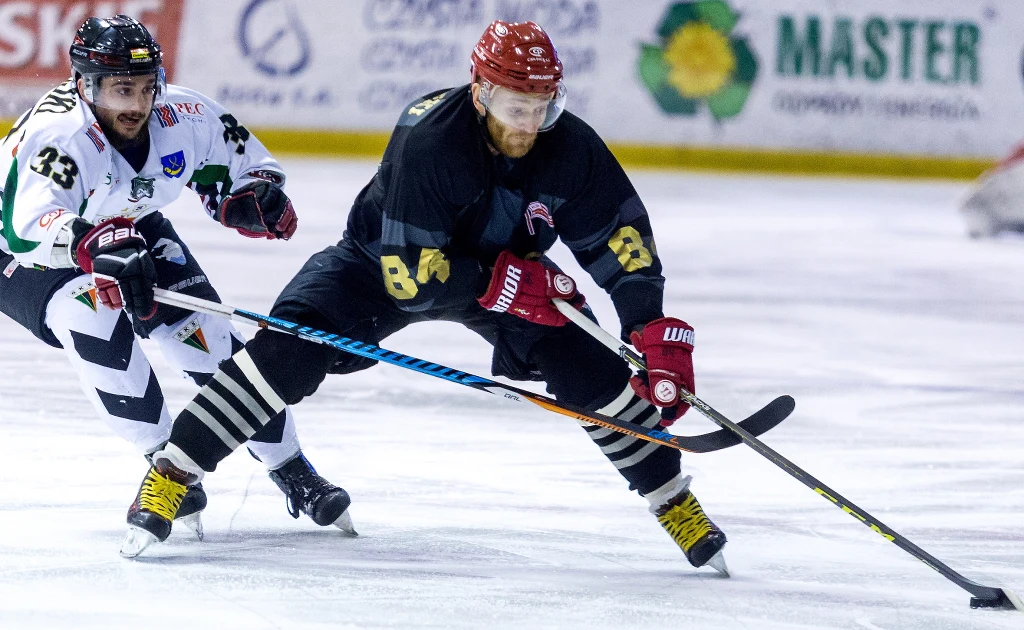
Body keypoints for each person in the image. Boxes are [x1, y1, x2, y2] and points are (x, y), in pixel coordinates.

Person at [124, 19, 727, 571]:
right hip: (379, 261)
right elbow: (410, 279)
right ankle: (172, 472)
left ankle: (675, 503)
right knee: (288, 349)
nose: (529, 124)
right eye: (517, 106)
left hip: (507, 273)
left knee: (591, 369)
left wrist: (649, 327)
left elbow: (621, 243)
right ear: (482, 92)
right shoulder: (430, 140)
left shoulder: (571, 147)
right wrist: (508, 284)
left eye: (543, 107)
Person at [0, 15, 355, 554]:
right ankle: (167, 466)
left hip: (129, 227)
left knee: (207, 336)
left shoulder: (182, 112)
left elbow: (237, 162)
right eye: (123, 90)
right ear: (85, 86)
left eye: (146, 87)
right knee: (89, 316)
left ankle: (292, 469)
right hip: (31, 251)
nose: (138, 105)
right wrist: (92, 247)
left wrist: (251, 196)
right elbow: (25, 223)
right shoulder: (60, 135)